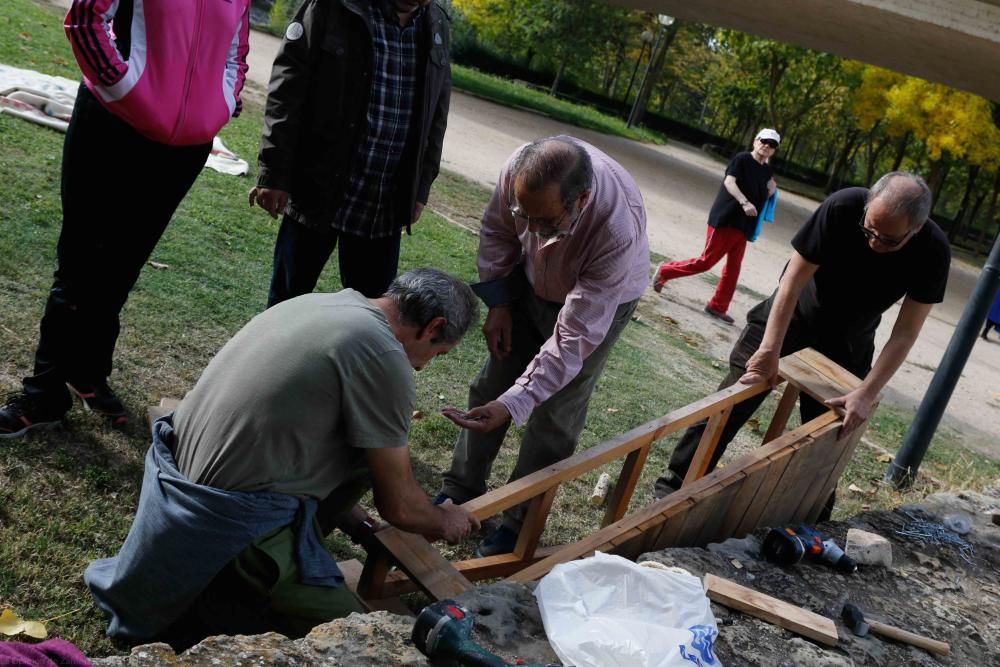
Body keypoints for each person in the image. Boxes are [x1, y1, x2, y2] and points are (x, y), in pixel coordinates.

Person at [84, 268, 481, 644]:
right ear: (434, 327)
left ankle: (249, 577)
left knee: (368, 449)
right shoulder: (383, 354)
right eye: (438, 353)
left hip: (175, 485)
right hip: (224, 522)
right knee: (360, 640)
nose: (423, 366)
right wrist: (445, 519)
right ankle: (249, 582)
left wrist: (352, 516)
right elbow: (401, 507)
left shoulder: (325, 303)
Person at [0, 0, 251, 437]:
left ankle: (88, 371)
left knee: (123, 265)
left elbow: (236, 54)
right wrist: (124, 86)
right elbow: (85, 19)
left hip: (185, 146)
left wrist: (220, 104)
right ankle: (44, 394)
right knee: (80, 263)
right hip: (112, 121)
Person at [654, 172, 951, 499]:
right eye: (869, 229)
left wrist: (867, 392)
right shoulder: (842, 206)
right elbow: (791, 282)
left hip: (849, 340)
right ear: (866, 207)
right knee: (734, 399)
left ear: (917, 228)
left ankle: (809, 521)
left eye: (890, 240)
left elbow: (905, 333)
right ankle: (673, 486)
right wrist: (769, 349)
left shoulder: (933, 251)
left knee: (831, 434)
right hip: (791, 314)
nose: (874, 242)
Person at [435, 136, 650, 556]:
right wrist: (500, 302)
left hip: (601, 298)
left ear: (582, 199)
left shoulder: (616, 230)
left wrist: (518, 402)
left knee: (556, 411)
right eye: (525, 216)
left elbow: (571, 340)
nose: (532, 233)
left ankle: (516, 523)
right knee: (495, 379)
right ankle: (460, 488)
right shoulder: (518, 170)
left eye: (547, 223)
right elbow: (498, 230)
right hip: (532, 286)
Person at [250, 0, 451, 306]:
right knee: (286, 303)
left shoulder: (435, 23)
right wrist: (274, 172)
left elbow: (437, 111)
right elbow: (288, 89)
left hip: (383, 203)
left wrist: (420, 187)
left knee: (369, 318)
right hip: (318, 186)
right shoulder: (333, 6)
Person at [652, 129, 780, 324]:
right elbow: (729, 182)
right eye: (764, 141)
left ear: (774, 150)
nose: (766, 146)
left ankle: (717, 306)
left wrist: (770, 191)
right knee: (706, 261)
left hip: (744, 226)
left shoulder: (767, 171)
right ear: (755, 141)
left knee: (733, 269)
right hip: (727, 218)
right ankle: (665, 271)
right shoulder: (742, 159)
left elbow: (763, 195)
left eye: (772, 145)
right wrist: (744, 202)